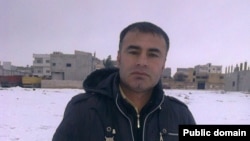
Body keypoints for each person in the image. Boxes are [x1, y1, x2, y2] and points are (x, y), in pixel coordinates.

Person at [52, 21, 196, 141]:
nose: (142, 62)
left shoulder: (181, 116)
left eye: (153, 55)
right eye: (134, 52)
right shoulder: (83, 111)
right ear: (119, 58)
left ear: (163, 64)